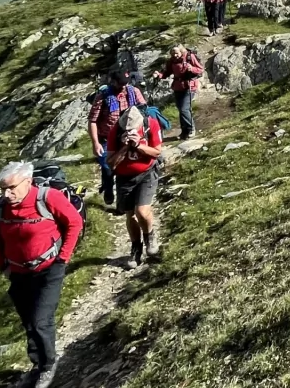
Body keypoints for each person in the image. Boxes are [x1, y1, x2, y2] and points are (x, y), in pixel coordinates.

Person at [0, 160, 83, 388]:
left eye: (11, 188)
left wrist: (63, 259)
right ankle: (37, 364)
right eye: (3, 189)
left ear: (28, 182)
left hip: (49, 269)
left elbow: (74, 223)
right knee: (29, 322)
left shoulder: (48, 198)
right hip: (18, 273)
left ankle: (49, 365)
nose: (6, 194)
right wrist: (4, 267)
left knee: (41, 321)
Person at [108, 102, 164, 267]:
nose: (129, 131)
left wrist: (139, 144)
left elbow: (157, 151)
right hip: (125, 177)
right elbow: (111, 163)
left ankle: (150, 237)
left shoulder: (150, 124)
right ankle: (136, 248)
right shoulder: (115, 131)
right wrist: (124, 147)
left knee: (142, 211)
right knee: (130, 214)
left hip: (146, 173)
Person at [86, 70, 147, 205]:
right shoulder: (102, 97)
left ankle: (123, 203)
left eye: (125, 84)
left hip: (128, 136)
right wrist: (95, 143)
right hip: (107, 139)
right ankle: (108, 189)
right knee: (108, 168)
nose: (123, 87)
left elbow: (143, 110)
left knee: (125, 170)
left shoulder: (133, 92)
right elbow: (92, 121)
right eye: (120, 84)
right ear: (112, 81)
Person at [154, 44, 203, 140]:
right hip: (177, 87)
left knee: (184, 109)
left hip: (189, 86)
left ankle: (191, 129)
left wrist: (191, 69)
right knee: (181, 109)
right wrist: (158, 75)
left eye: (176, 53)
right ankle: (184, 131)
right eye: (172, 53)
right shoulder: (171, 61)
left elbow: (200, 69)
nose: (174, 55)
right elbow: (166, 72)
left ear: (181, 51)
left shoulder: (189, 57)